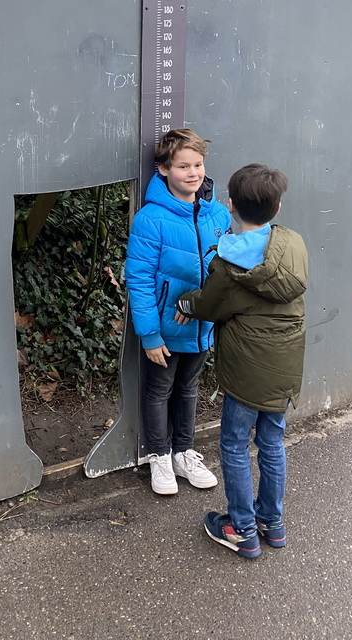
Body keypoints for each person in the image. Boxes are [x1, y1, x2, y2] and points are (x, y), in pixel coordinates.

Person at [175, 163, 308, 558]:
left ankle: (241, 529)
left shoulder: (229, 265)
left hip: (248, 368)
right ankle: (273, 523)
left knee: (234, 444)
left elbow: (213, 304)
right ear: (278, 208)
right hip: (285, 364)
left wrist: (186, 301)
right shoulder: (293, 246)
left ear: (229, 204)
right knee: (271, 442)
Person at [126, 128, 231, 495]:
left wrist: (205, 303)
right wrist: (150, 334)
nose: (193, 173)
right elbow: (138, 281)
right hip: (166, 328)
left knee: (188, 388)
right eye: (183, 166)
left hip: (202, 326)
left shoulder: (217, 214)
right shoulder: (150, 219)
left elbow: (227, 268)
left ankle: (184, 451)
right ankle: (159, 455)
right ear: (163, 170)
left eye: (198, 164)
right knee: (160, 390)